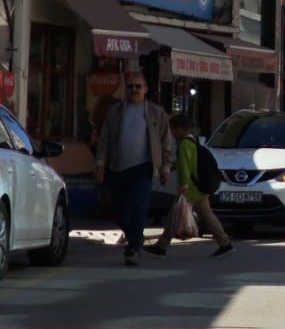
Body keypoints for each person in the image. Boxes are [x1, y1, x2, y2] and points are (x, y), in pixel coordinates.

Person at [95, 72, 174, 267]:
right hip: (118, 167)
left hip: (143, 168)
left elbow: (166, 141)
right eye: (131, 87)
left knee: (139, 208)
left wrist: (165, 167)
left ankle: (133, 248)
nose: (134, 90)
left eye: (138, 86)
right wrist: (100, 162)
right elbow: (104, 138)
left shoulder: (156, 113)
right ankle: (134, 239)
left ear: (146, 90)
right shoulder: (115, 112)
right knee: (119, 210)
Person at [147, 114, 233, 259]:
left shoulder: (184, 145)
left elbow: (186, 167)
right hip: (197, 188)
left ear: (179, 129)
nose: (172, 134)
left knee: (174, 216)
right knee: (206, 216)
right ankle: (224, 243)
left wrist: (184, 185)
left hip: (190, 190)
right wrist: (169, 168)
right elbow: (183, 163)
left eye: (172, 130)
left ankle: (161, 246)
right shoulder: (193, 141)